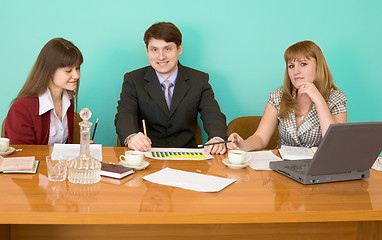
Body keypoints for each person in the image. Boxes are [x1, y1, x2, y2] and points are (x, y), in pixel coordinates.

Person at [115, 22, 227, 154]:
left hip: (186, 158)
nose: (161, 56)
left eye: (167, 49)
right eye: (154, 49)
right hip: (146, 155)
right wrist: (131, 137)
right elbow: (124, 114)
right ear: (147, 51)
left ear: (179, 49)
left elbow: (213, 115)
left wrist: (217, 138)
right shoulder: (133, 79)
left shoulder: (199, 80)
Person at [228, 40, 347, 151]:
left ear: (318, 66)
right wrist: (243, 145)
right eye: (291, 66)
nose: (296, 71)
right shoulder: (278, 96)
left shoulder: (336, 98)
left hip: (319, 169)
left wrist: (319, 100)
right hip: (282, 167)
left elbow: (336, 145)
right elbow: (260, 137)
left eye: (303, 64)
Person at [4, 38, 83, 145]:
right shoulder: (21, 109)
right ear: (49, 71)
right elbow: (20, 156)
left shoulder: (68, 100)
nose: (76, 75)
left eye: (77, 68)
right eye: (68, 70)